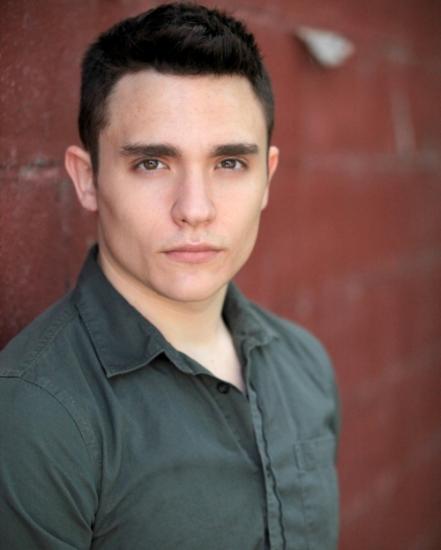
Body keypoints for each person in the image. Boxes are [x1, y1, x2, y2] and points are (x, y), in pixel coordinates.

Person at [0, 3, 340, 549]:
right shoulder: (34, 413)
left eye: (229, 163)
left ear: (267, 178)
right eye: (151, 163)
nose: (195, 209)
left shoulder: (305, 364)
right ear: (87, 179)